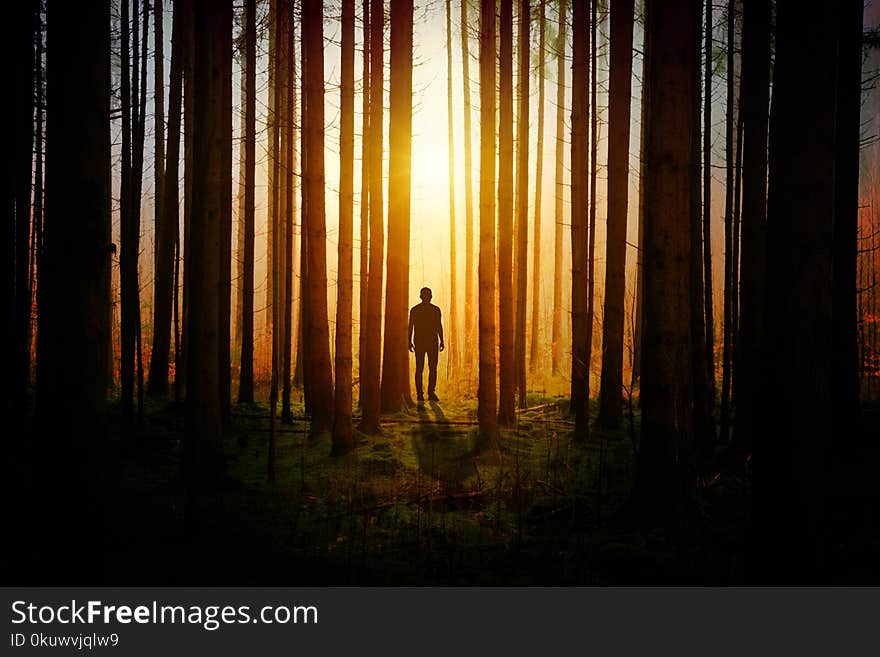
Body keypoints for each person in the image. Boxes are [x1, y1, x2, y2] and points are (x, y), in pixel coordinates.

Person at [408, 287, 444, 402]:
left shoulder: (415, 310)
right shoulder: (435, 310)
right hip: (431, 342)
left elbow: (410, 327)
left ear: (420, 296)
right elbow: (439, 326)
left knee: (421, 368)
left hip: (421, 342)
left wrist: (409, 341)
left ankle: (421, 394)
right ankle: (430, 393)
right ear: (431, 296)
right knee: (431, 368)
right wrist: (442, 340)